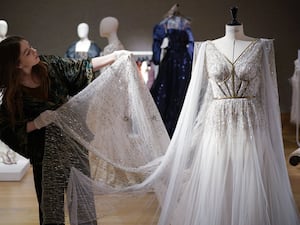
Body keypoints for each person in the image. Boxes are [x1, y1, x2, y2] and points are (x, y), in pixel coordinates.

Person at [0, 36, 126, 225]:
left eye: (31, 46)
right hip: (45, 156)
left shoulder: (49, 66)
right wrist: (36, 123)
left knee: (83, 203)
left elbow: (82, 67)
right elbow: (7, 128)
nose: (34, 51)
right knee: (51, 207)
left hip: (72, 144)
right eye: (27, 52)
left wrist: (115, 56)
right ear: (17, 64)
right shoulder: (14, 95)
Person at [150, 3, 194, 137]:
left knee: (167, 92)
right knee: (180, 91)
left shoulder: (165, 24)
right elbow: (191, 43)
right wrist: (191, 60)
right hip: (184, 61)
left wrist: (156, 58)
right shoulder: (186, 24)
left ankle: (166, 129)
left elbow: (157, 41)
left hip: (170, 60)